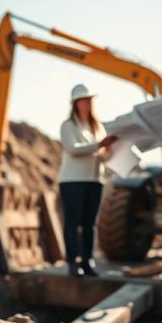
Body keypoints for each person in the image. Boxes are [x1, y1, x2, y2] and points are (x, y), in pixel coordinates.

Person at [58, 84, 116, 277]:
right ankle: (73, 263)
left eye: (89, 100)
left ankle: (87, 261)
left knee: (90, 223)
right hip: (73, 181)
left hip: (94, 180)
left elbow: (102, 156)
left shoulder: (97, 128)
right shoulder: (68, 126)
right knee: (73, 222)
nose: (87, 103)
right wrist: (99, 145)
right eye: (83, 100)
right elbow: (73, 149)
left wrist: (108, 150)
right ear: (75, 103)